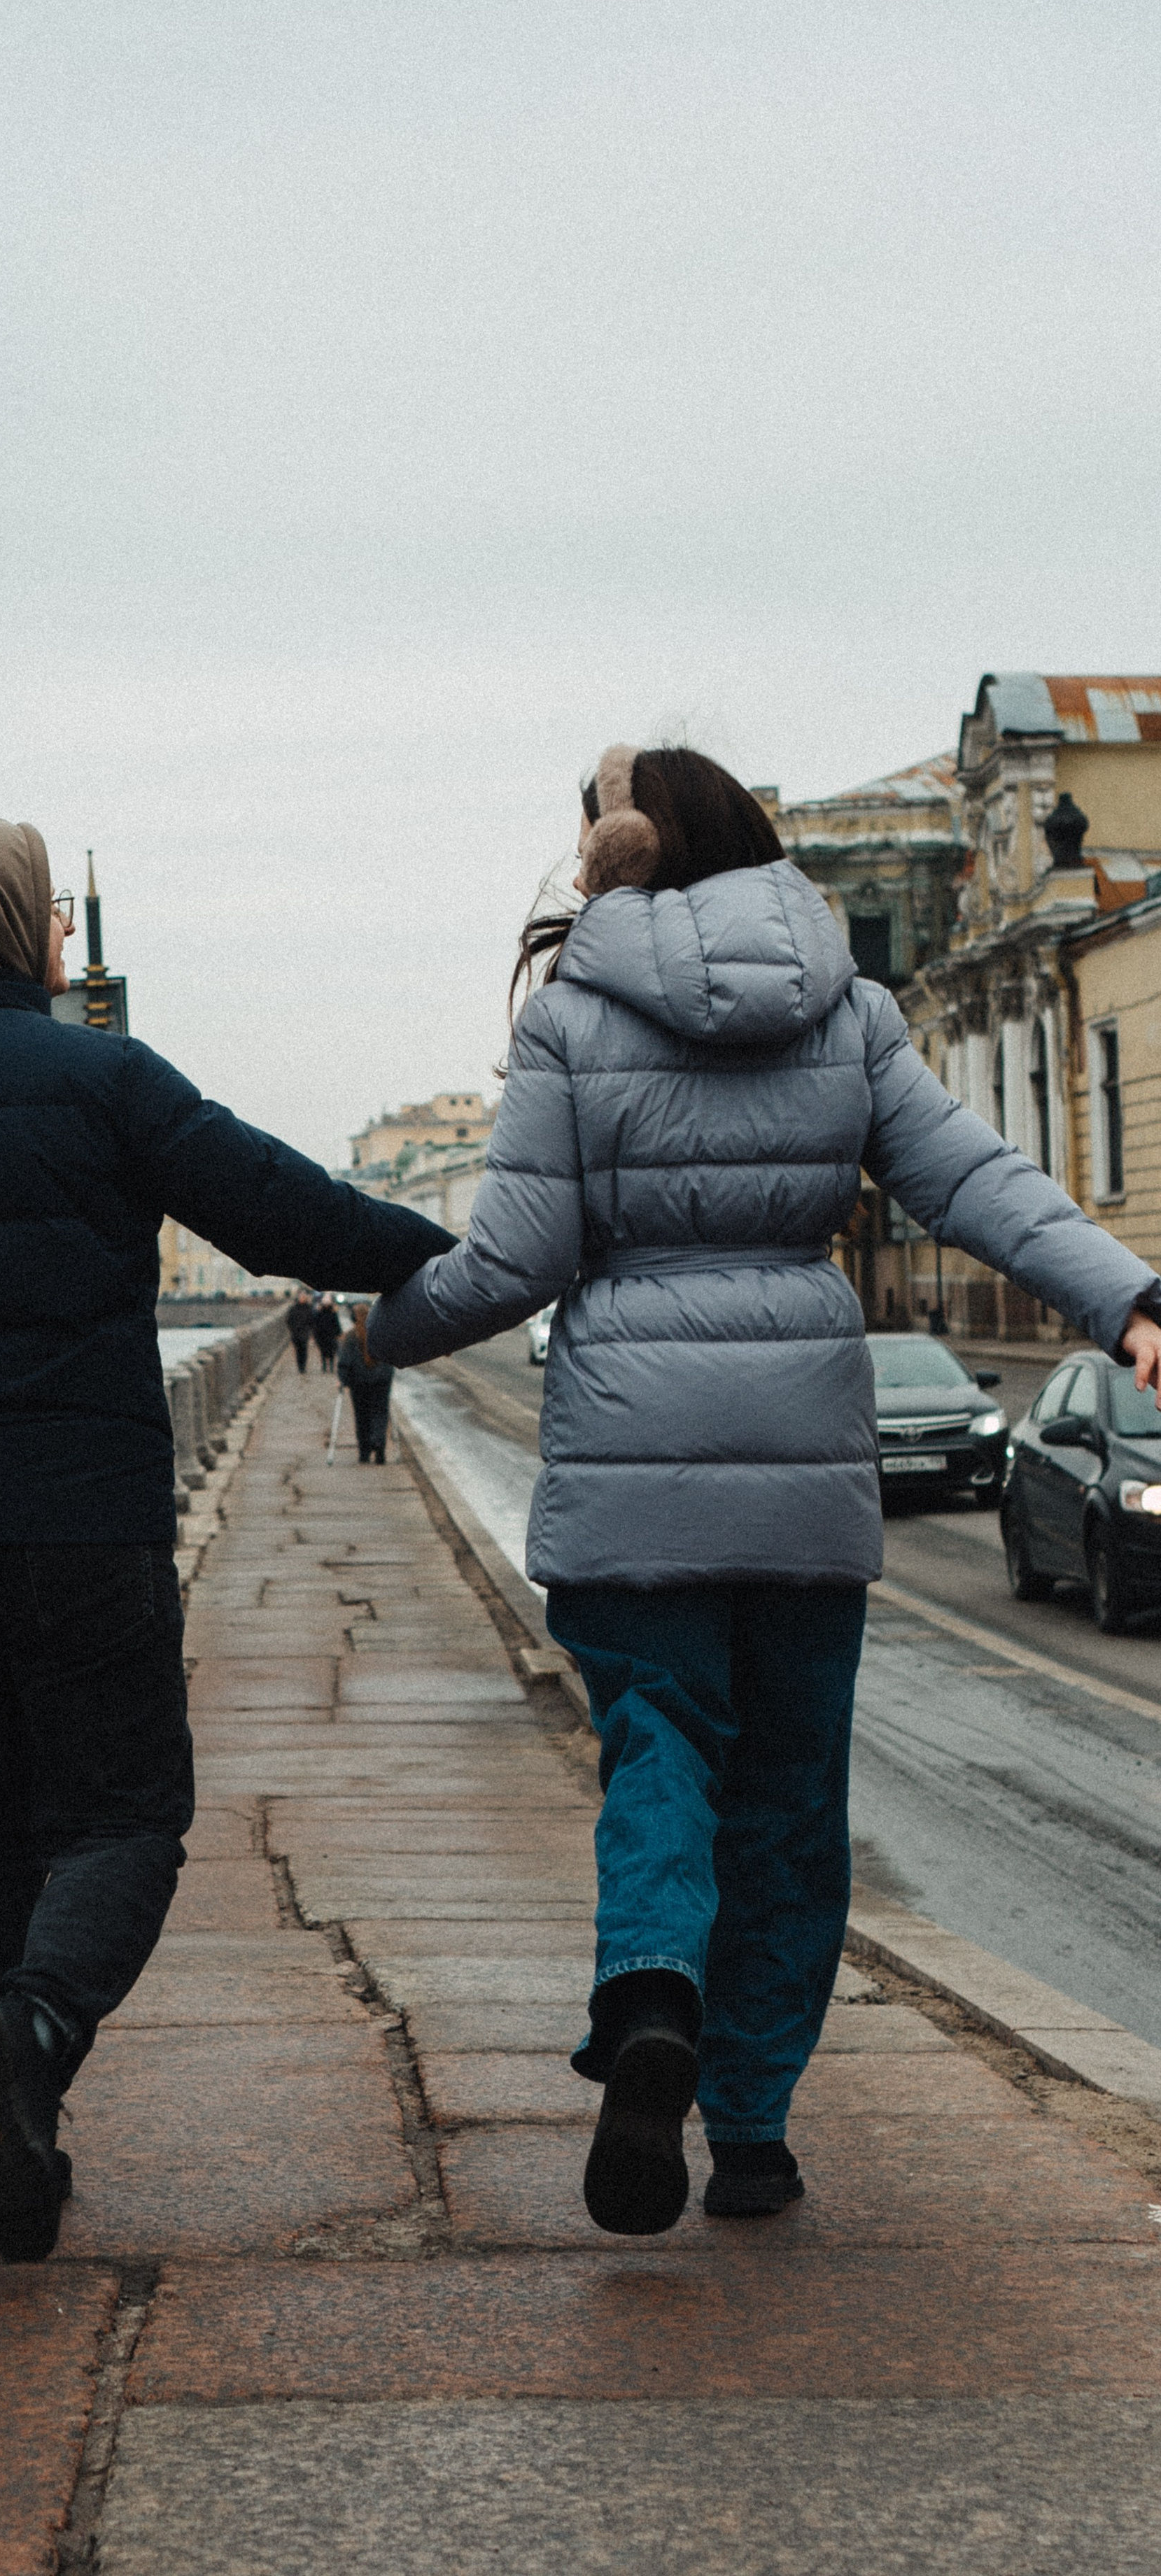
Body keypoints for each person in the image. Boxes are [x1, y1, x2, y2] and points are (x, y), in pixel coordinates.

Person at [370, 743, 1161, 2239]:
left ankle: (650, 1997)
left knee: (659, 1754)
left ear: (621, 850)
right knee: (792, 1804)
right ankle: (749, 2134)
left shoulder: (571, 1017)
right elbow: (974, 1179)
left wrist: (380, 1329)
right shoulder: (847, 1008)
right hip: (801, 1467)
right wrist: (1126, 1297)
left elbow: (516, 1260)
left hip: (629, 1471)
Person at [0, 819, 453, 2263]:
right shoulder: (104, 1078)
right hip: (81, 1520)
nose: (65, 933)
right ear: (6, 922)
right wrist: (460, 1258)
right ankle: (35, 2026)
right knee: (126, 1819)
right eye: (49, 910)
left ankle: (2, 2145)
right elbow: (282, 1212)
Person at [336, 1299, 394, 1462]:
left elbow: (345, 1362)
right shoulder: (381, 1335)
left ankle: (364, 1452)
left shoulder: (350, 1337)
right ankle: (379, 1447)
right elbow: (391, 1358)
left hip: (359, 1383)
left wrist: (342, 1380)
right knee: (380, 1413)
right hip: (381, 1382)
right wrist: (387, 1376)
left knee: (362, 1416)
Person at [286, 1288, 317, 1375]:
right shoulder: (293, 1308)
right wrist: (293, 1329)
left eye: (304, 1297)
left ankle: (303, 1367)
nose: (302, 1298)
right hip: (296, 1333)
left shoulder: (309, 1308)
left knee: (304, 1350)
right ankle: (300, 1366)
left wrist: (311, 1331)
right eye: (301, 1297)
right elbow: (289, 1320)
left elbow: (312, 1321)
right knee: (298, 1350)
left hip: (305, 1333)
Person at [312, 1292, 342, 1372]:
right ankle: (325, 1365)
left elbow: (336, 1323)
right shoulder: (319, 1312)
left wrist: (338, 1333)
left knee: (331, 1351)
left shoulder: (333, 1312)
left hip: (331, 1334)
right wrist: (316, 1334)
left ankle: (331, 1365)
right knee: (323, 1350)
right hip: (322, 1334)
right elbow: (316, 1323)